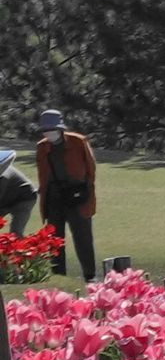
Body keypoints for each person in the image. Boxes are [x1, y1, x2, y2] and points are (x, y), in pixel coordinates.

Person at [29, 111, 96, 281]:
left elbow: (90, 168)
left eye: (51, 129)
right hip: (53, 198)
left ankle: (90, 275)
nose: (48, 133)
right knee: (55, 239)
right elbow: (42, 174)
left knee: (83, 237)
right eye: (45, 130)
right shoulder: (42, 147)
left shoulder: (78, 141)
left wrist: (85, 190)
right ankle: (58, 275)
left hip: (77, 196)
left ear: (60, 129)